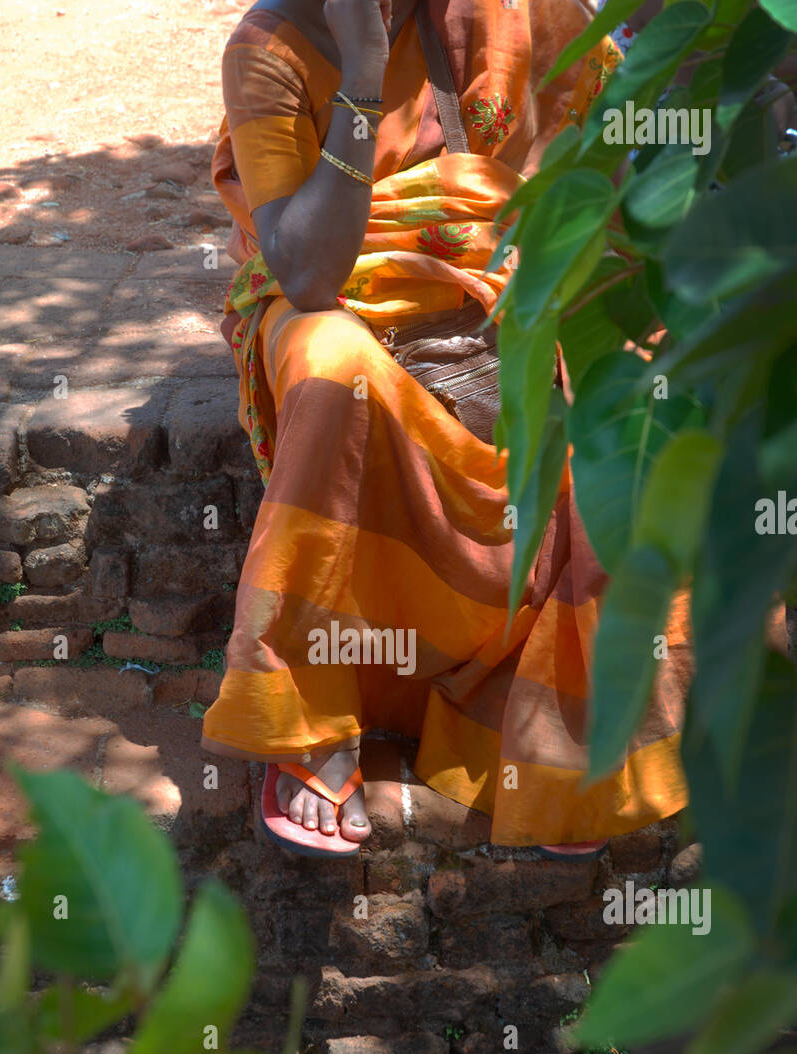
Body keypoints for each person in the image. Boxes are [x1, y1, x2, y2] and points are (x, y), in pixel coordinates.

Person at [200, 0, 691, 857]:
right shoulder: (269, 49)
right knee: (333, 372)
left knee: (637, 371)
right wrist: (359, 75)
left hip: (499, 283)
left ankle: (573, 722)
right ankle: (313, 709)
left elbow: (589, 191)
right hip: (345, 298)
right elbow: (310, 274)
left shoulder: (516, 12)